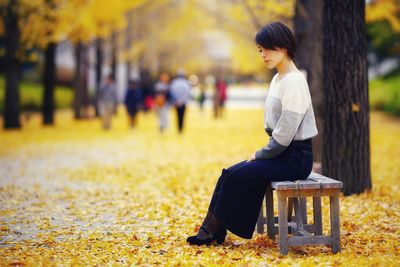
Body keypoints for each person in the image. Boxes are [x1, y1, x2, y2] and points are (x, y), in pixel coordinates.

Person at [186, 22, 318, 245]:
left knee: (238, 177)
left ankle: (210, 231)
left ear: (284, 47)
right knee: (228, 174)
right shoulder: (278, 79)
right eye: (261, 50)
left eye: (268, 48)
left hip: (296, 158)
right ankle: (213, 229)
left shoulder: (294, 82)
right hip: (283, 154)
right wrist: (266, 153)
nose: (263, 54)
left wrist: (260, 154)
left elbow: (285, 135)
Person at [170, 69, 191, 134]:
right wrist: (183, 101)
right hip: (183, 103)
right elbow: (187, 93)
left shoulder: (174, 83)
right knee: (182, 116)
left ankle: (178, 128)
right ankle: (181, 129)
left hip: (176, 102)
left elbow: (172, 92)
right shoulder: (186, 83)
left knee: (177, 116)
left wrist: (176, 101)